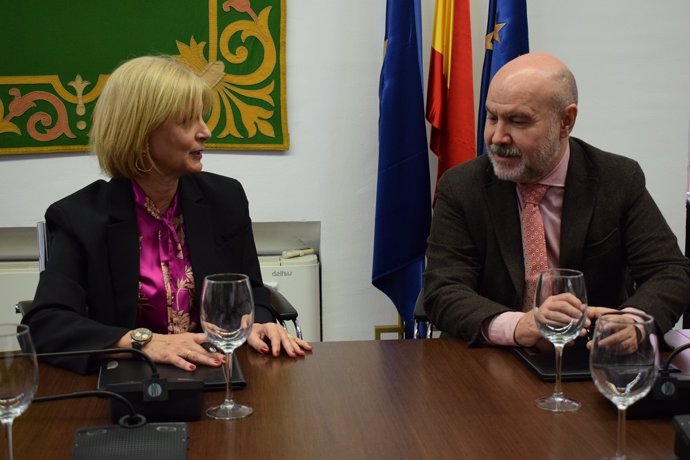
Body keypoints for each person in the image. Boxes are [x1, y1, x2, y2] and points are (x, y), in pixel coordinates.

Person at [22, 55, 311, 374]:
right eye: (188, 120)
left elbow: (251, 290)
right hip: (126, 383)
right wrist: (141, 341)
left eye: (203, 117)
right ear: (141, 131)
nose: (206, 131)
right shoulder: (79, 216)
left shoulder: (225, 199)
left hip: (215, 373)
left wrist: (258, 322)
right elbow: (46, 325)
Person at [423, 52, 690, 349]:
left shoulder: (617, 179)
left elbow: (669, 271)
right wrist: (517, 325)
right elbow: (442, 289)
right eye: (492, 117)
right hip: (491, 361)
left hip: (590, 360)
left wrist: (633, 322)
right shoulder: (462, 187)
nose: (497, 137)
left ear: (566, 121)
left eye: (518, 121)